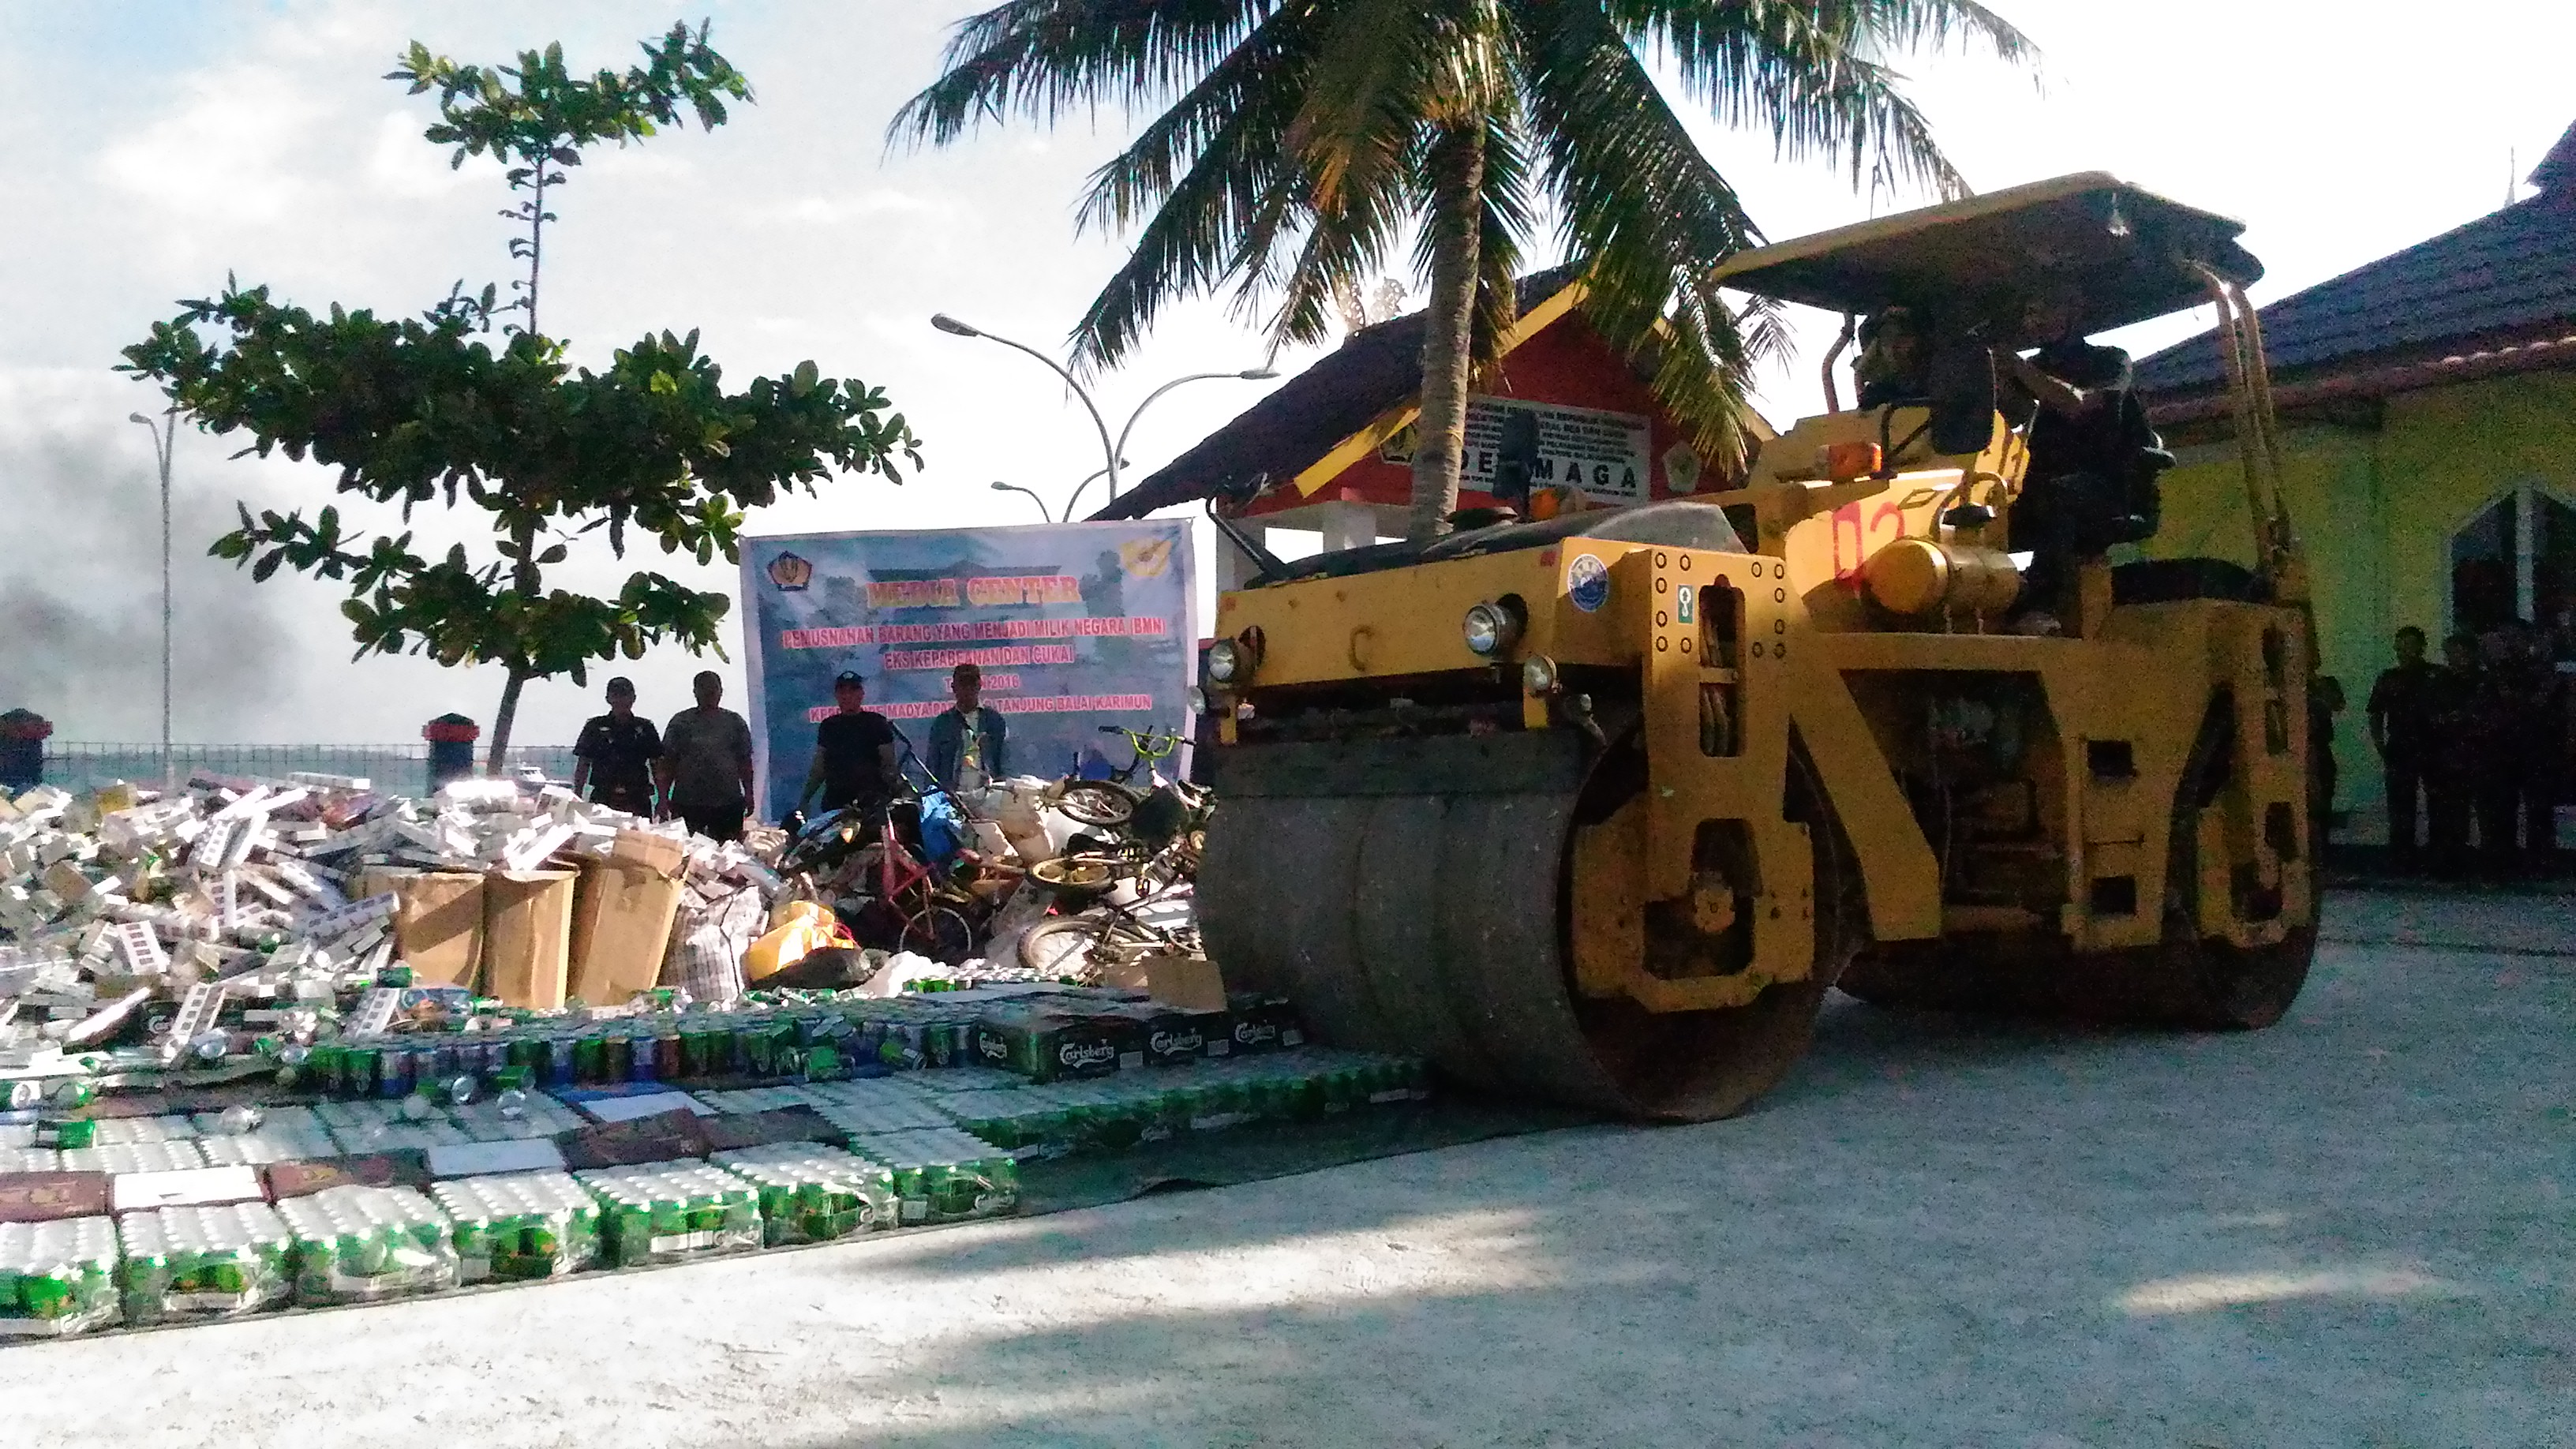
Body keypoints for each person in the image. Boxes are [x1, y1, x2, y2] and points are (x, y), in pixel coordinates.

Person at [1997, 299, 2169, 626]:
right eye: (2031, 311)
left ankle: (2041, 607)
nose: (2035, 320)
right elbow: (2010, 414)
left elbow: (2078, 405)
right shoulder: (2034, 368)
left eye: (2045, 309)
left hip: (2113, 486)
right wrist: (1996, 379)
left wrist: (2019, 368)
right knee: (1982, 513)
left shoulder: (2111, 361)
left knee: (2059, 496)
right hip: (2045, 485)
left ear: (2072, 314)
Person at [2367, 627, 2440, 869]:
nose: (2403, 650)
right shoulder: (2388, 678)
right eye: (2400, 645)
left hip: (2432, 746)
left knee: (2439, 803)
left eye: (2409, 644)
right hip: (2400, 746)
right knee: (2400, 805)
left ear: (2421, 646)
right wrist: (2380, 744)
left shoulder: (2436, 675)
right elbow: (2376, 713)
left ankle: (2437, 858)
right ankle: (2402, 858)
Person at [656, 671, 755, 842]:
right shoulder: (681, 722)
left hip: (728, 802)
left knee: (730, 856)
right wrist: (663, 799)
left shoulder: (734, 722)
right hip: (688, 803)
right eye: (704, 690)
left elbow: (744, 761)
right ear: (695, 692)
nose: (710, 694)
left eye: (713, 690)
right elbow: (667, 763)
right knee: (690, 855)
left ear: (721, 691)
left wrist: (749, 794)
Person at [799, 669, 899, 821]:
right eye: (842, 691)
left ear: (861, 694)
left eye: (853, 690)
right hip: (836, 805)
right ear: (836, 696)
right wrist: (805, 800)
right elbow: (818, 769)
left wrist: (893, 795)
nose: (847, 696)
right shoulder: (829, 726)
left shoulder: (877, 723)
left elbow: (889, 765)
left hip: (871, 806)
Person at [2424, 632, 2485, 877]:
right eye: (2451, 653)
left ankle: (2483, 863)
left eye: (2460, 652)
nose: (2455, 658)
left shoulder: (2484, 680)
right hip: (2445, 754)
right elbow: (2428, 714)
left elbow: (2487, 712)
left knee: (2484, 810)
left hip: (2479, 753)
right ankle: (2447, 862)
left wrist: (2466, 718)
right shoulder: (2438, 681)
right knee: (2446, 810)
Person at [571, 676, 661, 817]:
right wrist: (577, 797)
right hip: (604, 796)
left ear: (633, 698)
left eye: (625, 695)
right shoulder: (595, 726)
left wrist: (662, 800)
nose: (621, 700)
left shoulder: (645, 727)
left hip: (637, 797)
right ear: (608, 698)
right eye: (616, 695)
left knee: (637, 837)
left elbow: (656, 766)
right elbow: (583, 763)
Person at [926, 662, 1008, 795]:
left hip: (988, 795)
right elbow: (932, 767)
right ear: (954, 687)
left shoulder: (994, 720)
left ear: (979, 686)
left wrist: (1003, 792)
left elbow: (1004, 761)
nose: (968, 689)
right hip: (952, 796)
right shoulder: (943, 722)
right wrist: (933, 798)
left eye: (972, 684)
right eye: (963, 684)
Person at [2310, 675, 2346, 852]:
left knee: (2323, 801)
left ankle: (2321, 847)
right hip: (2314, 750)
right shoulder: (2310, 686)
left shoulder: (2323, 683)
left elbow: (2339, 704)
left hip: (2321, 751)